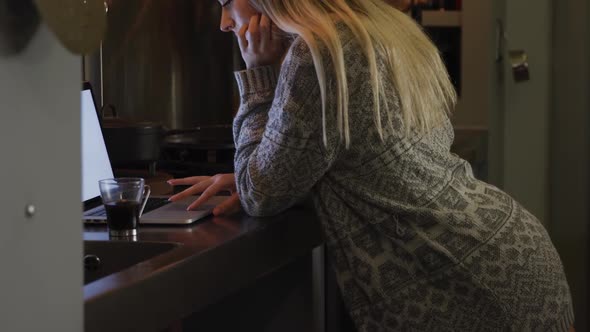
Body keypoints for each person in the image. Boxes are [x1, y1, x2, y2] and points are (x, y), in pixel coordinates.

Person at [168, 0, 575, 330]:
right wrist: (262, 169)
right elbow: (361, 160)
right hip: (507, 256)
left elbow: (261, 195)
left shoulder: (316, 51)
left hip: (464, 282)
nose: (223, 23)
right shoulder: (375, 24)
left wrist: (258, 76)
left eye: (226, 3)